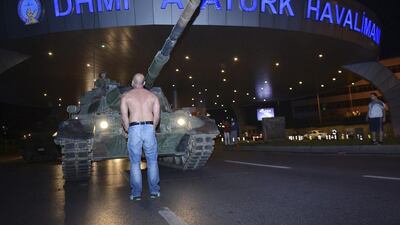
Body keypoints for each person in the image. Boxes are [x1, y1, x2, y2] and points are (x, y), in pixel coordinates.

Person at [120, 73, 161, 201]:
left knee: (135, 162)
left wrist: (128, 129)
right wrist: (152, 128)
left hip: (134, 128)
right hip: (149, 127)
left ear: (133, 82)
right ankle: (154, 191)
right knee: (152, 161)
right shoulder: (153, 96)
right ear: (144, 83)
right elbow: (157, 116)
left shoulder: (126, 96)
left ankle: (136, 194)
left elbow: (124, 117)